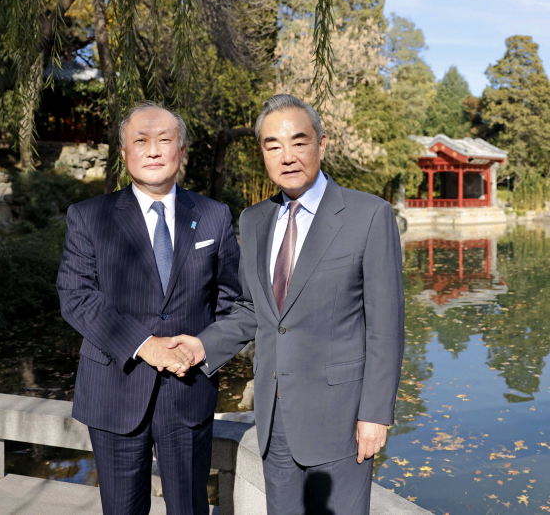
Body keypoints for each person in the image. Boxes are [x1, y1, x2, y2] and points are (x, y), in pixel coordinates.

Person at [170, 94, 405, 515]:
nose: (287, 156)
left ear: (322, 143)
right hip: (275, 417)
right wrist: (202, 346)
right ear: (262, 152)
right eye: (272, 145)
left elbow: (385, 326)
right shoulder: (254, 219)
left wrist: (375, 414)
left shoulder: (369, 215)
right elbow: (251, 308)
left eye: (299, 142)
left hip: (341, 418)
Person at [56, 101, 241, 515]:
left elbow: (233, 301)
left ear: (182, 150)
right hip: (114, 390)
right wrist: (146, 345)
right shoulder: (90, 217)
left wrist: (204, 346)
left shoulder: (213, 216)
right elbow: (76, 296)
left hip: (189, 388)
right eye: (140, 141)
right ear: (124, 154)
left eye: (164, 140)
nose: (153, 150)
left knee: (190, 507)